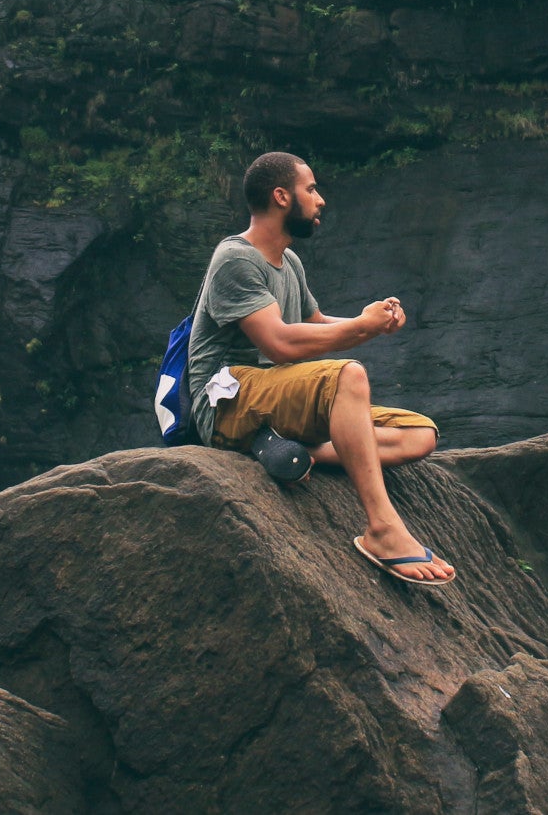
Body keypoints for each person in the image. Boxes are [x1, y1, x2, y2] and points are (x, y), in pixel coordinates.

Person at [185, 151, 455, 585]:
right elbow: (279, 341)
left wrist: (370, 324)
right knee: (347, 375)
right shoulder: (236, 258)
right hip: (227, 398)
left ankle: (287, 447)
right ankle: (383, 530)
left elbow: (313, 324)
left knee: (420, 434)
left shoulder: (288, 262)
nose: (320, 199)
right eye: (310, 189)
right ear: (281, 196)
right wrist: (360, 331)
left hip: (271, 393)